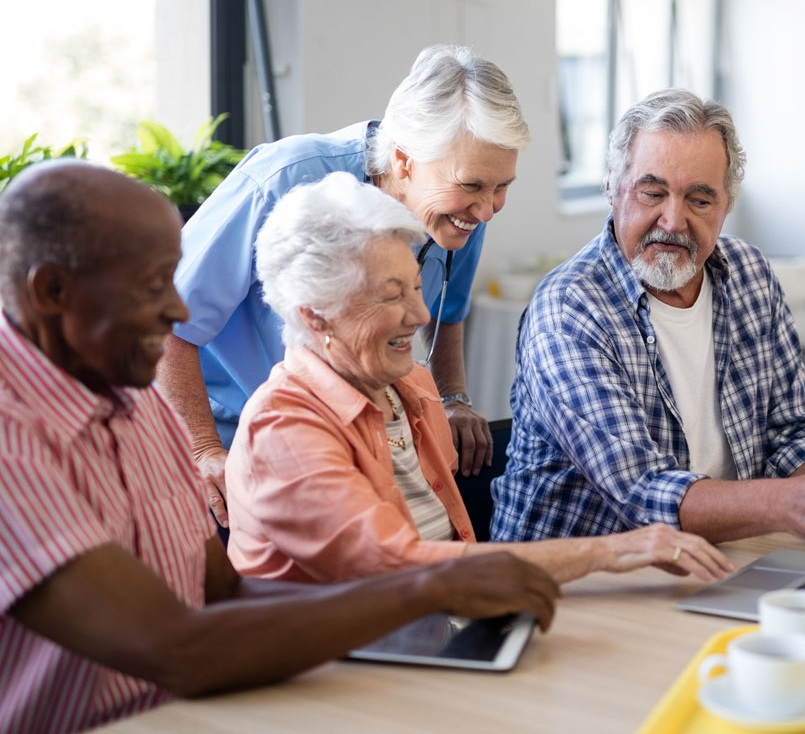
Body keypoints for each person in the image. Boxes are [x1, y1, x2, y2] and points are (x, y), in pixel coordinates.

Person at [0, 162, 558, 733]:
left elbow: (222, 591)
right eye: (152, 285)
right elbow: (177, 649)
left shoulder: (133, 396)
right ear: (52, 291)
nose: (179, 311)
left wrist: (422, 605)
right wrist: (427, 587)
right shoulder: (10, 442)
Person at [224, 173, 733, 585]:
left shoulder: (413, 389)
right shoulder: (283, 428)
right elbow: (398, 569)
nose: (420, 314)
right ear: (315, 315)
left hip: (435, 632)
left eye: (417, 288)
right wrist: (610, 550)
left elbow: (451, 551)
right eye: (390, 295)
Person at [490, 90, 805, 546]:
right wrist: (794, 502)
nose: (673, 221)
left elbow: (797, 428)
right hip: (573, 588)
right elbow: (643, 493)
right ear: (612, 187)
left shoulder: (750, 273)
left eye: (700, 200)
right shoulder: (570, 309)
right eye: (653, 193)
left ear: (727, 204)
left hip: (716, 561)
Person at [157, 44, 522, 530]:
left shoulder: (457, 216)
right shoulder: (283, 180)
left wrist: (452, 399)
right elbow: (163, 319)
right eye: (474, 186)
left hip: (349, 439)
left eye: (502, 187)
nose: (488, 209)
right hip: (235, 435)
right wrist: (202, 450)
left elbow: (447, 312)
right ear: (403, 160)